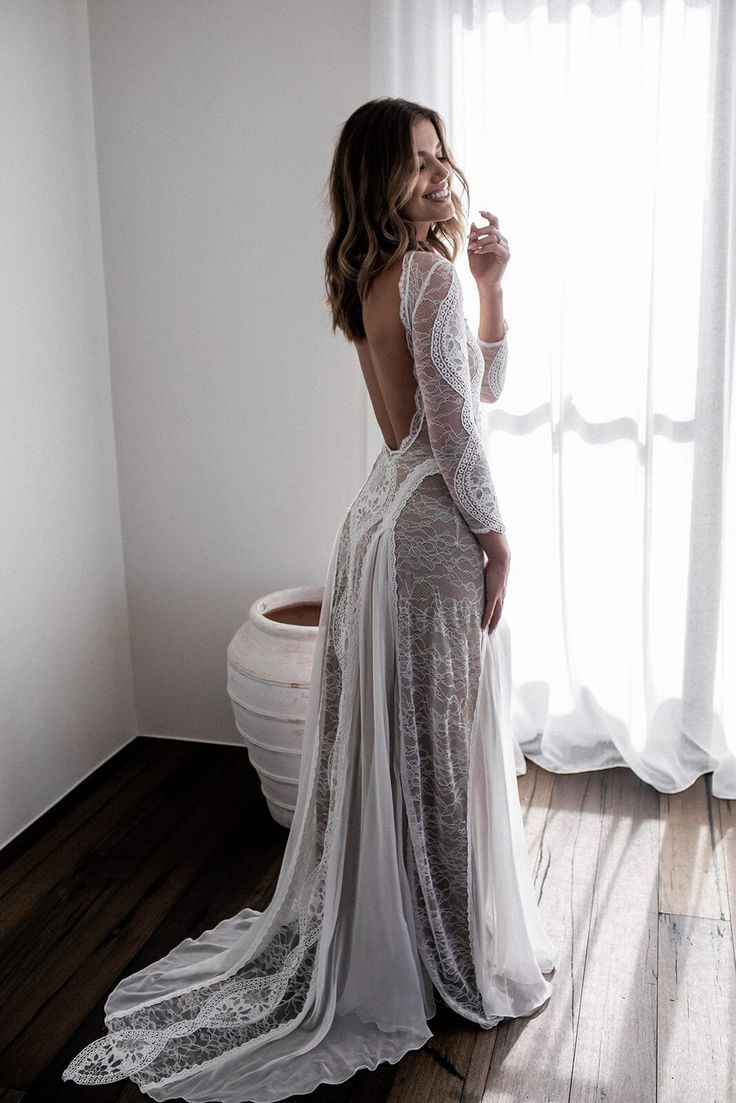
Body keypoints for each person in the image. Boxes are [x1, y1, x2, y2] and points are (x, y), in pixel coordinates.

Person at [61, 95, 558, 1103]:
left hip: (379, 523)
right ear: (374, 177)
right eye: (412, 163)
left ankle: (406, 932)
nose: (435, 176)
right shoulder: (421, 273)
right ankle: (449, 960)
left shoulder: (381, 274)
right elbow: (457, 433)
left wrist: (492, 289)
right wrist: (499, 542)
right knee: (438, 745)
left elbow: (469, 395)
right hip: (427, 535)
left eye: (437, 158)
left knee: (407, 739)